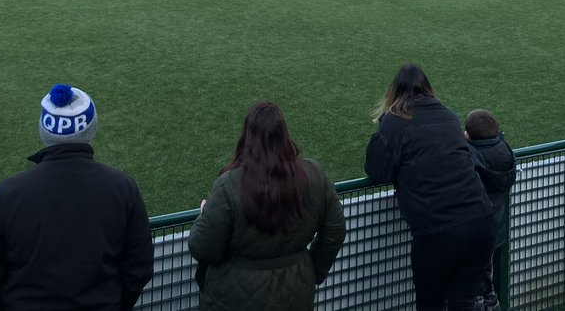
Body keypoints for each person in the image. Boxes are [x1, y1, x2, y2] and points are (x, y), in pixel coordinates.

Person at [0, 84, 154, 310]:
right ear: (91, 129)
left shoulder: (8, 193)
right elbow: (139, 268)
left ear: (44, 131)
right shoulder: (122, 188)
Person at [365, 64, 500, 311]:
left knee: (430, 305)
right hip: (481, 223)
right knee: (463, 304)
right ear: (427, 89)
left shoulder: (393, 123)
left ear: (394, 93)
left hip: (438, 232)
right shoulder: (449, 116)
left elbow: (376, 172)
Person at [189, 102, 346, 311]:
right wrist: (310, 271)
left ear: (247, 137)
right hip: (294, 292)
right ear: (284, 134)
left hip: (233, 297)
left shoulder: (228, 184)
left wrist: (203, 215)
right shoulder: (314, 174)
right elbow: (335, 231)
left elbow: (202, 247)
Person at [464, 110, 517, 302]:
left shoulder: (470, 156)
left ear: (468, 135)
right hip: (495, 230)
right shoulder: (505, 150)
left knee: (471, 287)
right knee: (486, 279)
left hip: (472, 233)